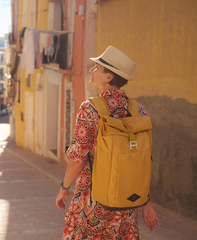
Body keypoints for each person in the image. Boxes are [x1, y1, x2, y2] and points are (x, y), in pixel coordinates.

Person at [56, 46, 159, 239]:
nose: (91, 70)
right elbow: (140, 162)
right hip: (126, 203)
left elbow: (78, 159)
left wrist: (64, 188)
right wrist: (146, 204)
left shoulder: (90, 109)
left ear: (109, 77)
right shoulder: (139, 111)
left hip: (93, 199)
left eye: (97, 67)